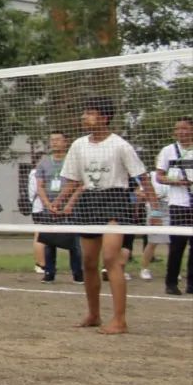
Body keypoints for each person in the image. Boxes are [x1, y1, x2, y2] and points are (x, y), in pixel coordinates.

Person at [55, 96, 157, 335]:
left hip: (115, 200)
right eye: (84, 113)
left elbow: (142, 176)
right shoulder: (79, 145)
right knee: (89, 262)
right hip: (90, 200)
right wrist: (59, 202)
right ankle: (94, 315)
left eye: (89, 113)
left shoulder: (120, 145)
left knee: (111, 259)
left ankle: (120, 320)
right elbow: (72, 179)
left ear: (103, 117)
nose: (84, 117)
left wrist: (155, 206)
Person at [35, 132, 83, 284]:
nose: (54, 143)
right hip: (49, 208)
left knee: (74, 243)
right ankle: (49, 272)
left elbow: (80, 184)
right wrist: (47, 204)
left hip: (69, 209)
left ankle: (77, 273)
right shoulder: (43, 162)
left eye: (58, 140)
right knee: (49, 241)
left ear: (65, 142)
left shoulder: (73, 161)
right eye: (52, 140)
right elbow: (40, 186)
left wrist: (69, 204)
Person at [157, 116, 193, 295]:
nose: (181, 132)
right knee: (177, 245)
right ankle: (171, 283)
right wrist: (176, 181)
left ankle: (191, 284)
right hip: (178, 204)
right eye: (177, 129)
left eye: (185, 128)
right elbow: (159, 176)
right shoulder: (168, 151)